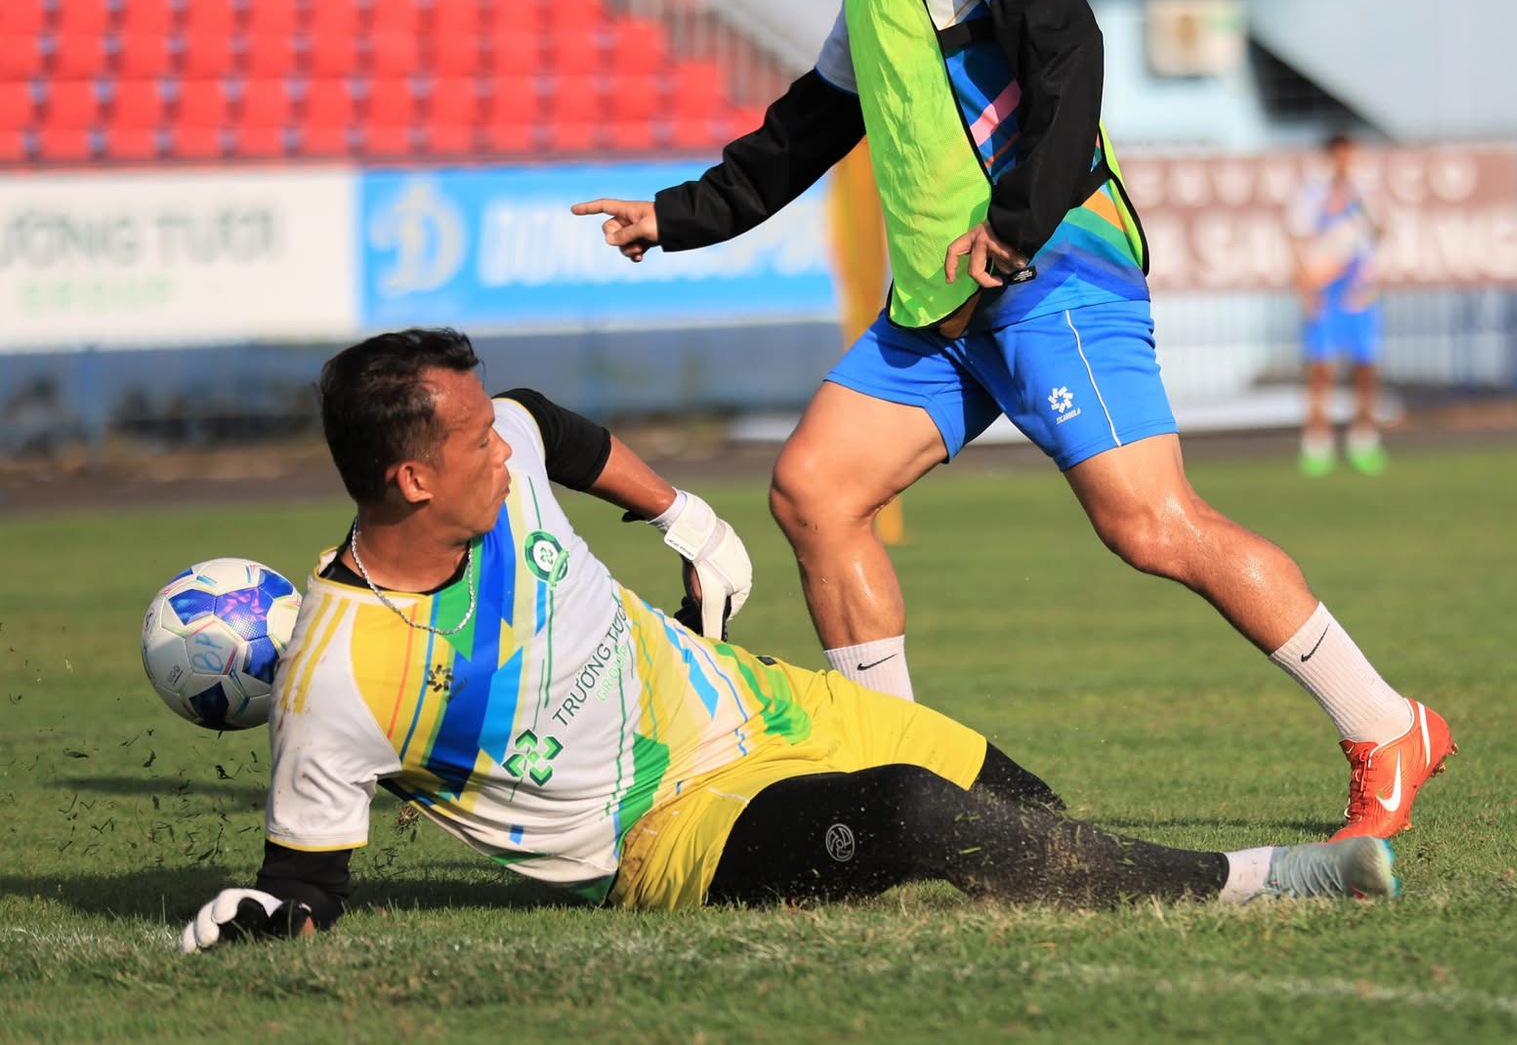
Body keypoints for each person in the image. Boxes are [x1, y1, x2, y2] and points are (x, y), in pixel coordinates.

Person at [569, 0, 1452, 844]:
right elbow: (804, 130)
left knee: (1148, 522)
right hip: (948, 303)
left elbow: (1064, 40)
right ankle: (900, 789)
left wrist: (1020, 222)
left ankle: (1386, 724)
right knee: (815, 491)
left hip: (1044, 272)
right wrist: (673, 216)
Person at [180, 328, 1397, 952]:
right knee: (918, 815)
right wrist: (260, 915)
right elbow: (308, 884)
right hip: (668, 832)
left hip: (754, 701)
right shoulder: (342, 676)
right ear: (406, 477)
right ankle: (1272, 879)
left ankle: (1128, 890)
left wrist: (681, 515)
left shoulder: (500, 444)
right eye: (472, 445)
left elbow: (544, 419)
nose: (500, 447)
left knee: (1019, 807)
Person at [1293, 133, 1389, 477]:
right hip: (1325, 288)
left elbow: (1380, 234)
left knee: (1365, 367)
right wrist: (1308, 288)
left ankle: (1364, 439)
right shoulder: (1312, 195)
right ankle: (1317, 443)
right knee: (1321, 368)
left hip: (1358, 290)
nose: (1344, 162)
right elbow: (1299, 240)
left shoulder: (1366, 194)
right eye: (1339, 156)